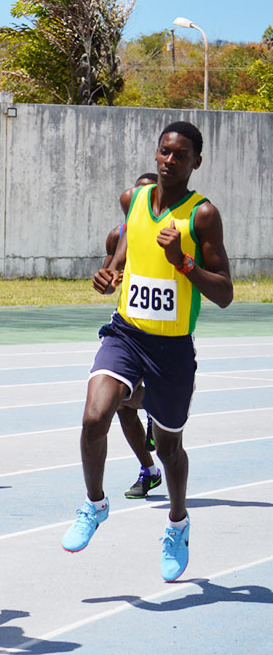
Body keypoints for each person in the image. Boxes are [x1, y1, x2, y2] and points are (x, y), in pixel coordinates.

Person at [61, 122, 232, 584]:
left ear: (196, 162)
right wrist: (107, 274)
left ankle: (177, 522)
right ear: (155, 155)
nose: (169, 161)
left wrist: (184, 262)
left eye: (180, 155)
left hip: (172, 348)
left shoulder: (202, 216)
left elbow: (225, 294)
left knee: (171, 447)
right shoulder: (132, 200)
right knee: (95, 417)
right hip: (126, 334)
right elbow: (122, 254)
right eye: (164, 152)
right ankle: (95, 504)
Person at [105, 173, 163, 500]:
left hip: (164, 333)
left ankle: (156, 408)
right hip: (128, 329)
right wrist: (111, 276)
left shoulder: (171, 232)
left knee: (168, 417)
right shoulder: (118, 235)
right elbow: (108, 272)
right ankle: (148, 470)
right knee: (120, 405)